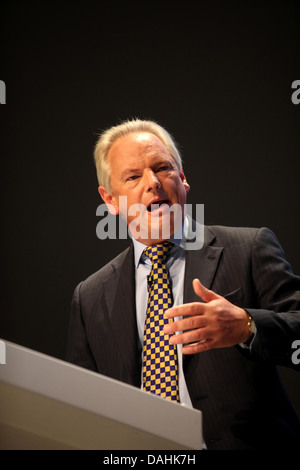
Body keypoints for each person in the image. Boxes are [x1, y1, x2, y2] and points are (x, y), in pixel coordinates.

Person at [66, 118, 300, 449]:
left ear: (183, 178)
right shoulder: (89, 297)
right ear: (110, 200)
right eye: (133, 176)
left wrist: (248, 327)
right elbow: (82, 412)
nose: (152, 183)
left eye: (162, 168)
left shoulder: (248, 249)